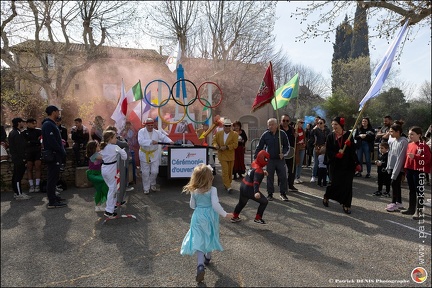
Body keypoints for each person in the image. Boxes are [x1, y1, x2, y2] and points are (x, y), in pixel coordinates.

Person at [180, 163, 233, 283]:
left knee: (199, 239)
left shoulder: (194, 191)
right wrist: (225, 214)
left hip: (198, 216)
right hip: (210, 216)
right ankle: (208, 258)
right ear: (209, 178)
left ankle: (200, 265)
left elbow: (192, 206)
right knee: (210, 235)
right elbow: (215, 205)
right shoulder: (212, 190)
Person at [323, 117, 360, 214]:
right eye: (333, 124)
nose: (334, 126)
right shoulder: (330, 136)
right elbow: (328, 151)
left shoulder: (348, 135)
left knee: (347, 185)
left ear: (341, 125)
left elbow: (353, 150)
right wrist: (336, 154)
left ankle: (346, 204)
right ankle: (327, 196)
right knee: (334, 183)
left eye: (336, 124)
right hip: (335, 164)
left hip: (348, 164)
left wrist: (350, 144)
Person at [254, 118, 289, 201]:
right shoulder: (265, 135)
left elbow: (287, 146)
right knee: (269, 177)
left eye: (272, 124)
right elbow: (259, 147)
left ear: (277, 125)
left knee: (283, 176)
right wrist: (256, 158)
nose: (270, 126)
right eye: (269, 124)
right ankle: (270, 194)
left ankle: (283, 193)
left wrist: (283, 153)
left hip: (280, 159)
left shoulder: (282, 134)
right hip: (269, 160)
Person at [231, 150, 270, 224]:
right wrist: (256, 192)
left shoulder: (254, 162)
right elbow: (256, 182)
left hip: (243, 185)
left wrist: (262, 173)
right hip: (249, 188)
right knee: (264, 202)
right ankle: (258, 218)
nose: (267, 161)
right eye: (266, 159)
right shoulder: (259, 170)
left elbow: (253, 173)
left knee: (242, 203)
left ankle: (234, 216)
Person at [138, 118, 173, 194]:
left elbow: (164, 137)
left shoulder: (157, 132)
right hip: (144, 154)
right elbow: (140, 141)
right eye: (149, 125)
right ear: (146, 125)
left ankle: (152, 183)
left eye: (152, 125)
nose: (150, 127)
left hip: (154, 154)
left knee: (155, 171)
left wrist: (170, 141)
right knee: (145, 172)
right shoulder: (141, 132)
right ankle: (146, 188)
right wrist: (151, 142)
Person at [402, 126, 431, 219]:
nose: (410, 136)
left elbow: (427, 159)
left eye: (412, 134)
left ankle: (419, 212)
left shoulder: (424, 146)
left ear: (419, 135)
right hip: (410, 170)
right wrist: (405, 168)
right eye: (409, 134)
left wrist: (415, 157)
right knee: (412, 190)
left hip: (419, 171)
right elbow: (407, 158)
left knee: (420, 192)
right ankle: (411, 209)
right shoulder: (410, 144)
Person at [97, 130, 127, 219]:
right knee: (112, 188)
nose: (116, 139)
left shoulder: (103, 147)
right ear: (110, 139)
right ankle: (108, 210)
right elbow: (124, 156)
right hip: (111, 169)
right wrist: (121, 152)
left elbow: (98, 155)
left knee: (111, 187)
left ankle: (112, 205)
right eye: (114, 137)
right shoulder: (115, 147)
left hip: (104, 168)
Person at [41, 105, 67, 208]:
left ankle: (54, 197)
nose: (59, 113)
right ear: (53, 112)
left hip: (56, 154)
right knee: (52, 178)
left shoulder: (51, 124)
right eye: (57, 111)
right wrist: (61, 150)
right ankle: (52, 201)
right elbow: (52, 141)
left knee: (55, 177)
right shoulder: (48, 124)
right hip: (53, 155)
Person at [384, 123, 408, 212]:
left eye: (392, 131)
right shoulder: (394, 141)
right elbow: (390, 154)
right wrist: (388, 166)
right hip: (392, 167)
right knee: (396, 185)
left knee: (394, 184)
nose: (390, 133)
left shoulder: (403, 141)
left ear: (398, 132)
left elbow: (401, 158)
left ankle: (394, 203)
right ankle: (399, 202)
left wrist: (395, 172)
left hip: (398, 169)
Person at [212, 118, 238, 193]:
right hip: (222, 155)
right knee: (225, 171)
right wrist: (216, 145)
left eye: (229, 126)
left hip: (230, 156)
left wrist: (226, 147)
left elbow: (235, 145)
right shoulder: (218, 133)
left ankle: (227, 184)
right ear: (223, 126)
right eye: (226, 126)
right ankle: (228, 186)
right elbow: (214, 141)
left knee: (230, 172)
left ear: (231, 126)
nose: (227, 127)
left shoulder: (235, 134)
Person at [8, 117, 31, 200]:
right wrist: (24, 158)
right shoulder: (16, 133)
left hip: (17, 158)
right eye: (22, 122)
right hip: (19, 159)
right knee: (18, 177)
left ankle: (17, 192)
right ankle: (19, 194)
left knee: (16, 176)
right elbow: (20, 148)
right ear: (18, 123)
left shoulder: (15, 132)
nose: (23, 124)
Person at [86, 140, 108, 212]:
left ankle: (99, 205)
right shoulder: (95, 155)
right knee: (102, 185)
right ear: (94, 148)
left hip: (98, 173)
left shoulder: (97, 153)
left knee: (99, 189)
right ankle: (100, 204)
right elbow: (104, 157)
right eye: (98, 145)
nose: (99, 146)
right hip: (93, 174)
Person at [23, 118, 42, 193]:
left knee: (38, 167)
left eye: (35, 123)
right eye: (33, 123)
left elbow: (40, 141)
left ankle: (37, 185)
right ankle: (31, 185)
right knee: (29, 168)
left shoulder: (39, 131)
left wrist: (32, 142)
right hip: (28, 152)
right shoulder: (24, 132)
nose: (35, 125)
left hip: (37, 151)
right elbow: (25, 143)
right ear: (28, 123)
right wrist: (33, 142)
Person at [280, 114, 297, 191]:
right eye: (283, 120)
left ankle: (291, 185)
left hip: (291, 152)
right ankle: (281, 185)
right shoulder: (278, 129)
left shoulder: (292, 129)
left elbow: (295, 141)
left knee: (292, 169)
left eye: (287, 120)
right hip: (281, 153)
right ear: (281, 121)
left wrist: (295, 136)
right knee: (281, 170)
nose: (285, 122)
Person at [310, 118, 330, 182]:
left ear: (324, 123)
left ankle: (325, 176)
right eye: (318, 123)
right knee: (316, 163)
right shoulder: (316, 130)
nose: (319, 124)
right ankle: (313, 176)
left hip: (324, 148)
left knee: (325, 163)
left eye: (321, 123)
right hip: (317, 148)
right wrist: (314, 128)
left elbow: (329, 138)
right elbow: (310, 134)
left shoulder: (327, 130)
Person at [294, 118, 306, 184]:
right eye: (301, 122)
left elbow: (304, 138)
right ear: (297, 123)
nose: (302, 124)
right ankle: (295, 177)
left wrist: (304, 144)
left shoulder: (302, 130)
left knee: (300, 163)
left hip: (302, 147)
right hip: (297, 147)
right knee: (296, 162)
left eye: (302, 122)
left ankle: (298, 176)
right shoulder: (295, 130)